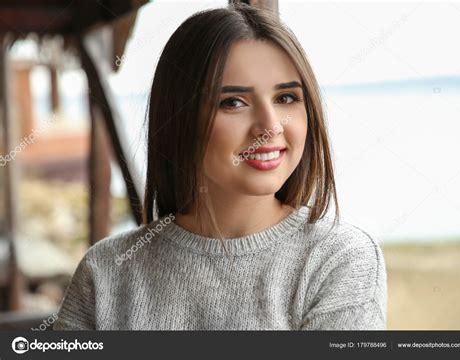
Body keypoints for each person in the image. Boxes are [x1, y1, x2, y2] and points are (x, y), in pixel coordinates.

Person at [54, 2, 387, 330]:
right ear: (179, 119)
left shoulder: (339, 261)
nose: (269, 126)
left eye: (286, 98)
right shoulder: (105, 272)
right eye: (233, 102)